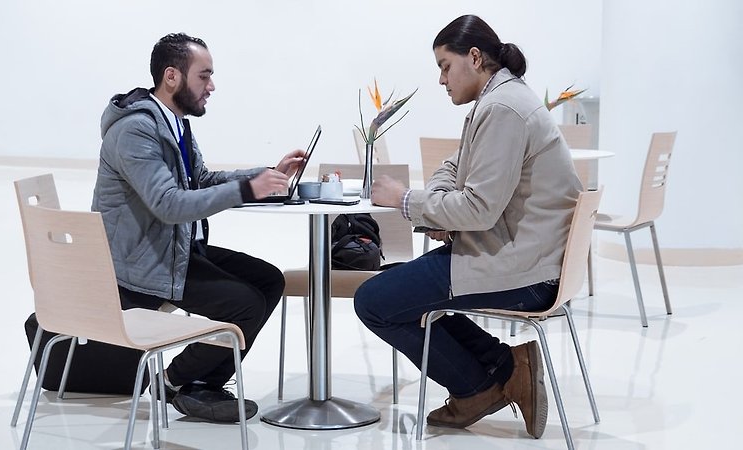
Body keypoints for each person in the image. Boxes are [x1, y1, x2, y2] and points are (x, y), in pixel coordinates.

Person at [354, 15, 582, 439]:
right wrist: (439, 209)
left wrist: (406, 201)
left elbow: (477, 209)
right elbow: (454, 167)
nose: (442, 79)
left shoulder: (503, 109)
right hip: (523, 256)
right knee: (393, 285)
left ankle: (477, 388)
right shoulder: (501, 99)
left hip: (525, 270)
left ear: (474, 58)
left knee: (373, 302)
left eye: (445, 66)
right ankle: (505, 366)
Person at [91, 32, 305, 423]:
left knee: (269, 280)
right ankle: (173, 382)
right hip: (141, 263)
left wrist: (266, 174)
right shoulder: (136, 130)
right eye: (204, 76)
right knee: (244, 303)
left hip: (173, 249)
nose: (212, 86)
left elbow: (200, 179)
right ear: (171, 76)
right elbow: (169, 204)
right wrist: (246, 190)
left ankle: (201, 385)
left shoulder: (175, 123)